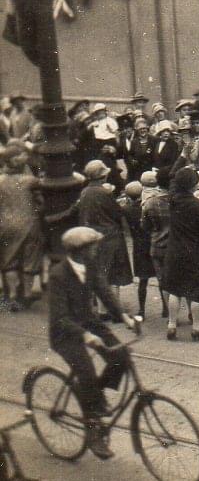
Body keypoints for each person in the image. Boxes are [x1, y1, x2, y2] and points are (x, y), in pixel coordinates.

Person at [47, 226, 139, 460]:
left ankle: (94, 397)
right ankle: (94, 431)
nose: (96, 249)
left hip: (88, 323)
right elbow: (60, 317)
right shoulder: (58, 274)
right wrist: (85, 335)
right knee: (86, 372)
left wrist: (124, 317)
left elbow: (105, 292)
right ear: (80, 251)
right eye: (93, 246)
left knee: (121, 356)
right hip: (65, 332)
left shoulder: (90, 266)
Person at [163, 168, 199, 342]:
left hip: (175, 250)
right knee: (197, 291)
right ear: (194, 184)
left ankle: (171, 325)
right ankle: (197, 328)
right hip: (195, 252)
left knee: (174, 290)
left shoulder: (172, 201)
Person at [77, 160, 133, 304]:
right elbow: (116, 213)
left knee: (96, 271)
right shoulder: (104, 192)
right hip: (110, 237)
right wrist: (123, 205)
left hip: (90, 236)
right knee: (113, 274)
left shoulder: (85, 192)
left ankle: (96, 305)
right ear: (102, 176)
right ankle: (110, 308)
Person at [0, 143, 44, 311]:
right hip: (29, 223)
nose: (26, 157)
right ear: (15, 160)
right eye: (22, 155)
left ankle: (11, 295)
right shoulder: (30, 181)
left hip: (5, 224)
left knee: (9, 260)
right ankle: (26, 294)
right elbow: (41, 200)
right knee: (29, 259)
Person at [118, 181, 156, 318]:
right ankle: (165, 308)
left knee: (143, 280)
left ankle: (142, 310)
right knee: (160, 277)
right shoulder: (147, 206)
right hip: (151, 242)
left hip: (138, 246)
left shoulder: (126, 209)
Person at [141, 167, 172, 318]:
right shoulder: (177, 201)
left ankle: (168, 309)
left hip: (157, 245)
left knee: (163, 280)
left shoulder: (150, 202)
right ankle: (190, 312)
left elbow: (145, 226)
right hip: (176, 245)